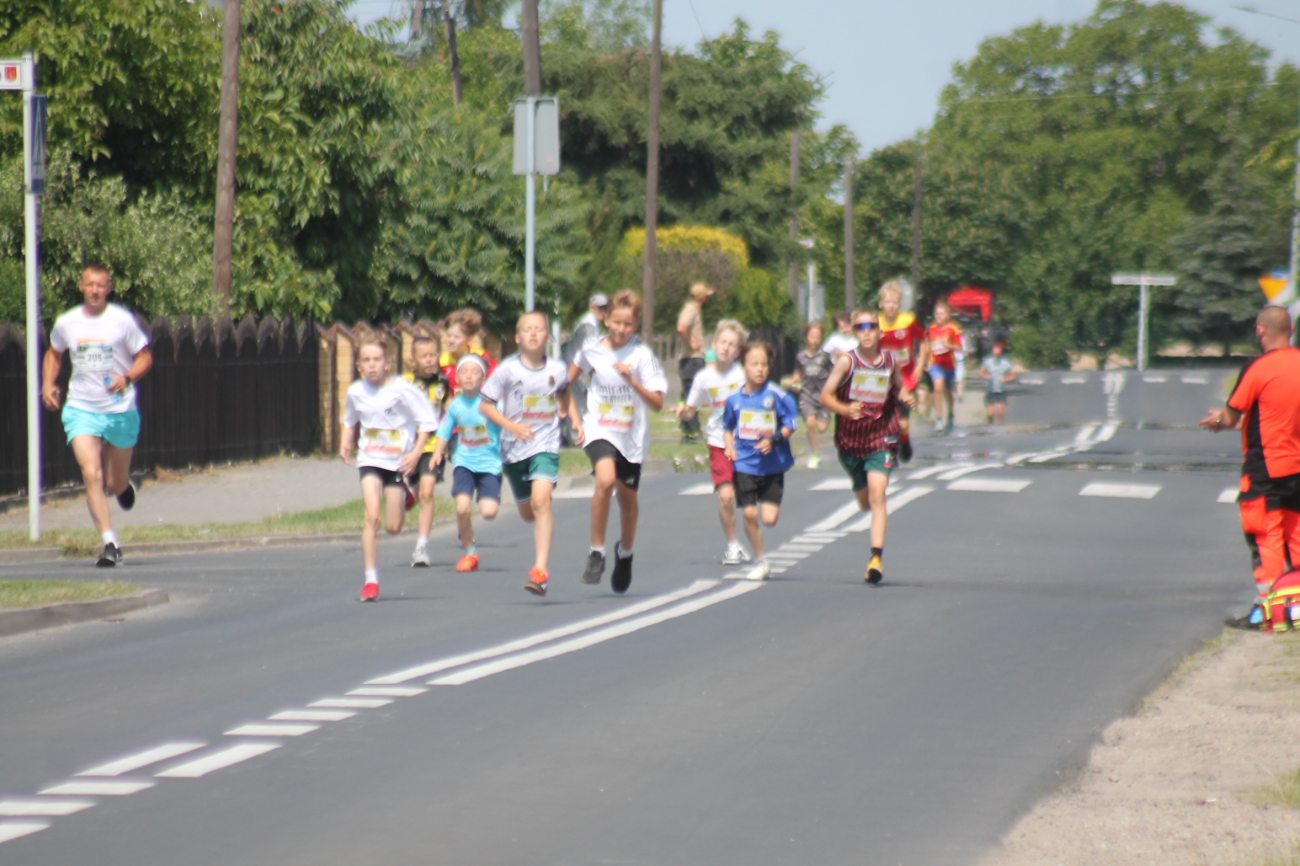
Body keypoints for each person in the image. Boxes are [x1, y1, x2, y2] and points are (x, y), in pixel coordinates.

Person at [41, 263, 153, 567]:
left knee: (114, 482)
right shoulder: (67, 322)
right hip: (82, 408)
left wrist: (127, 378)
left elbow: (144, 357)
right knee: (92, 474)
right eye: (89, 284)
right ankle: (110, 543)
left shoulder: (122, 321)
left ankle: (124, 487)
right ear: (81, 286)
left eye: (100, 285)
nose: (94, 290)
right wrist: (48, 384)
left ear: (108, 288)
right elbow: (54, 353)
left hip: (119, 409)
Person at [1200, 306, 1300, 617]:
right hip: (1297, 467)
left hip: (1265, 470)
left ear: (1260, 331)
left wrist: (1217, 421)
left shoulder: (1258, 368)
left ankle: (1268, 613)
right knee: (1296, 538)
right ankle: (1295, 609)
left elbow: (1231, 417)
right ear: (1291, 330)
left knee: (1266, 540)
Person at [570, 289, 668, 593]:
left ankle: (625, 554)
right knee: (604, 480)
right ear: (606, 320)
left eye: (628, 324)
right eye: (616, 322)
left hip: (631, 435)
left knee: (627, 500)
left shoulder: (642, 356)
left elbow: (657, 403)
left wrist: (632, 380)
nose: (621, 329)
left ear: (636, 324)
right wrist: (574, 418)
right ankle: (596, 553)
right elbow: (566, 382)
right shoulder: (591, 349)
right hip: (599, 427)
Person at [479, 311, 573, 597]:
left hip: (545, 444)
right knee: (528, 512)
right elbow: (485, 405)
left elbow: (564, 391)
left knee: (541, 501)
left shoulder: (557, 369)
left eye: (539, 329)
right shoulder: (507, 370)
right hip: (514, 449)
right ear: (517, 337)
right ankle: (535, 512)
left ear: (548, 337)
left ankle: (540, 571)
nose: (533, 333)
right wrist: (511, 427)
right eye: (527, 329)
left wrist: (570, 415)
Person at [820, 310, 916, 586]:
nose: (866, 331)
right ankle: (860, 482)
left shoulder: (889, 360)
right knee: (865, 503)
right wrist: (844, 409)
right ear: (853, 332)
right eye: (860, 327)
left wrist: (906, 396)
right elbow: (825, 397)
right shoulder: (847, 362)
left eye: (871, 326)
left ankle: (875, 559)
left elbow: (898, 387)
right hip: (850, 441)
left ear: (879, 331)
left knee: (878, 495)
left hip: (881, 437)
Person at [339, 338, 437, 601]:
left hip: (396, 463)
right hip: (369, 460)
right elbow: (350, 420)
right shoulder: (356, 391)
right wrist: (345, 443)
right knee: (372, 517)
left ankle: (404, 493)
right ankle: (371, 581)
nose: (372, 365)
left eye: (377, 360)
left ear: (387, 363)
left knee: (393, 527)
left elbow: (427, 422)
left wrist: (416, 453)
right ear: (358, 365)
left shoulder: (403, 390)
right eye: (366, 360)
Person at [722, 340, 798, 581]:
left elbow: (792, 424)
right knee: (750, 515)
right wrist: (729, 446)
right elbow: (727, 427)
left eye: (764, 364)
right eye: (754, 364)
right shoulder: (734, 399)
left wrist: (773, 440)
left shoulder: (777, 395)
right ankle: (761, 561)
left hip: (772, 465)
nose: (760, 369)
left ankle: (761, 557)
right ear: (744, 366)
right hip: (744, 463)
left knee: (769, 519)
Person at [680, 319, 749, 564]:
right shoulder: (703, 378)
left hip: (745, 443)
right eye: (723, 342)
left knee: (748, 501)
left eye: (732, 344)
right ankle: (733, 545)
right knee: (726, 497)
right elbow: (691, 409)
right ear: (714, 344)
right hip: (718, 442)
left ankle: (750, 540)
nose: (726, 348)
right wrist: (684, 412)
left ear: (738, 351)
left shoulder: (743, 375)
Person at [430, 354, 502, 572]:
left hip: (490, 465)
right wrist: (437, 452)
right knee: (462, 509)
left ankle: (470, 533)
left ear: (483, 378)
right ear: (457, 378)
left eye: (474, 372)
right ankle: (470, 552)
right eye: (464, 372)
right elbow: (444, 429)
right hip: (464, 463)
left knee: (489, 512)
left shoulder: (492, 404)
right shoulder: (455, 405)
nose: (469, 376)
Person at [402, 334, 450, 567]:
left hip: (433, 446)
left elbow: (448, 411)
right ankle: (407, 494)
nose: (429, 360)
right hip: (409, 447)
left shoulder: (443, 383)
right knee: (418, 492)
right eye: (424, 356)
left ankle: (421, 547)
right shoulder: (405, 383)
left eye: (433, 355)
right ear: (413, 360)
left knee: (428, 492)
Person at [877, 281, 928, 462]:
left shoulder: (907, 321)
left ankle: (904, 441)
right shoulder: (876, 324)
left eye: (894, 302)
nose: (891, 306)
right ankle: (889, 450)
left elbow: (923, 341)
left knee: (902, 423)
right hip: (884, 380)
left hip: (906, 379)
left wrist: (920, 366)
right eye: (887, 302)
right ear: (881, 304)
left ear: (900, 305)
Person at [562, 294, 607, 446]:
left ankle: (573, 436)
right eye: (599, 308)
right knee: (577, 404)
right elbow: (590, 350)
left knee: (577, 403)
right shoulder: (588, 325)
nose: (602, 311)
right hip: (573, 368)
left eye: (605, 308)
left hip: (576, 367)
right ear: (591, 307)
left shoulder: (590, 322)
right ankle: (575, 438)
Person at [788, 322, 834, 469]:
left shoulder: (825, 356)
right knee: (810, 423)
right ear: (806, 337)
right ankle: (815, 454)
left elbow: (833, 373)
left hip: (823, 396)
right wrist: (791, 381)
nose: (815, 340)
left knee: (822, 428)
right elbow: (798, 372)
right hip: (806, 395)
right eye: (812, 337)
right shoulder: (800, 356)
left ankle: (825, 418)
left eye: (818, 337)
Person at [676, 282, 714, 443]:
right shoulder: (691, 310)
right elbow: (681, 327)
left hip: (693, 359)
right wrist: (690, 343)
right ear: (703, 298)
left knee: (689, 394)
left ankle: (688, 430)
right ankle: (692, 430)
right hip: (692, 359)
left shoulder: (693, 310)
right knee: (692, 395)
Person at [440, 308, 496, 395]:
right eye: (448, 336)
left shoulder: (481, 357)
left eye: (457, 337)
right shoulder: (442, 361)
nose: (451, 341)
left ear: (470, 338)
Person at [927, 301, 963, 435]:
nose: (938, 316)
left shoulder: (953, 328)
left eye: (941, 314)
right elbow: (927, 344)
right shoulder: (931, 328)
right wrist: (924, 361)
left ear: (948, 316)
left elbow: (959, 346)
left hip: (949, 365)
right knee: (938, 388)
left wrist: (948, 345)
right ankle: (938, 419)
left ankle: (950, 413)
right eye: (937, 314)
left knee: (947, 391)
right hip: (935, 363)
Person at [980, 342, 1016, 424]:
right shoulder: (987, 362)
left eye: (998, 353)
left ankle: (1000, 427)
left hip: (1001, 389)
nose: (997, 354)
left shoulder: (1005, 363)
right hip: (991, 388)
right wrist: (987, 376)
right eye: (995, 352)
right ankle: (989, 425)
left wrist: (1005, 379)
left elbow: (1013, 375)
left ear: (1001, 353)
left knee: (1000, 412)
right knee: (990, 413)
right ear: (993, 352)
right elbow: (981, 372)